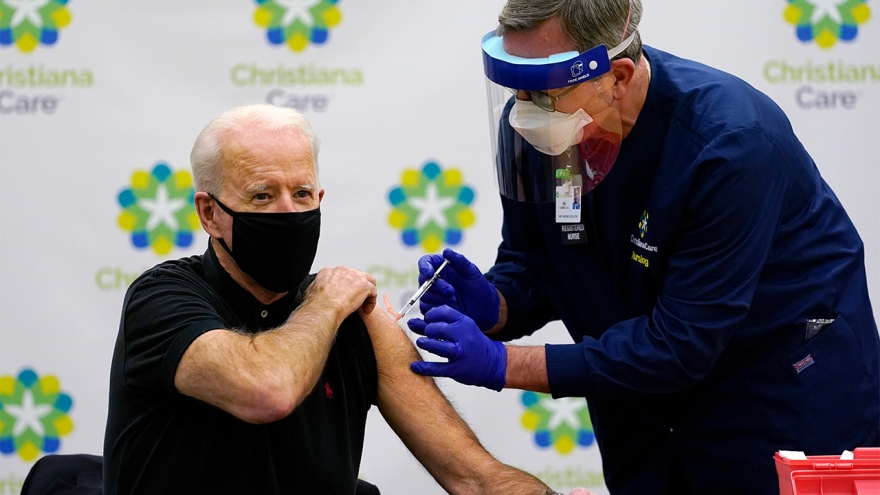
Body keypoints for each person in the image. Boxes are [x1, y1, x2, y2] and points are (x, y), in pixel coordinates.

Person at [406, 1, 880, 494]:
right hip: (641, 414)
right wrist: (495, 304)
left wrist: (503, 363)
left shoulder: (730, 145)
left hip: (778, 402)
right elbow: (538, 263)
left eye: (542, 92)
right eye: (515, 88)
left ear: (617, 77)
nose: (523, 111)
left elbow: (681, 344)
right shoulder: (540, 129)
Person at [102, 104, 569, 494]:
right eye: (262, 196)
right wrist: (324, 303)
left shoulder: (357, 320)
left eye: (302, 193)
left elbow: (476, 477)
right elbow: (267, 390)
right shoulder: (162, 298)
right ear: (209, 213)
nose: (288, 213)